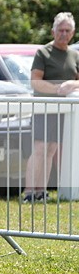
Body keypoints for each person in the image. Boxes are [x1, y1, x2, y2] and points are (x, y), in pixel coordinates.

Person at [22, 12, 79, 203]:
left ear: (73, 33)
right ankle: (29, 191)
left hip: (64, 110)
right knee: (39, 148)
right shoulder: (43, 52)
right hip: (44, 108)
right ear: (53, 31)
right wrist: (57, 89)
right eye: (60, 30)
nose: (63, 34)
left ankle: (41, 191)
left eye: (67, 30)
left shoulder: (74, 55)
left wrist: (71, 85)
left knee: (52, 149)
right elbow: (36, 82)